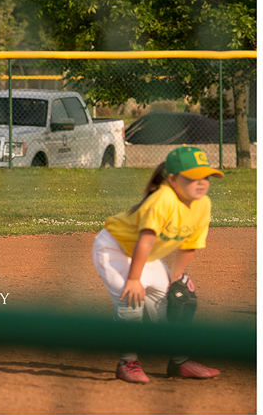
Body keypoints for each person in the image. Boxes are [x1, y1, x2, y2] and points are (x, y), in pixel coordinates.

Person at [91, 144, 224, 383]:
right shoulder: (162, 199)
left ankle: (180, 362)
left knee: (171, 303)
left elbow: (190, 244)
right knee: (130, 298)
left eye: (206, 176)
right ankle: (127, 362)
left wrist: (176, 275)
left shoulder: (203, 204)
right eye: (193, 177)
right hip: (114, 248)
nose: (202, 182)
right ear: (173, 180)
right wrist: (133, 279)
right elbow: (145, 240)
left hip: (147, 255)